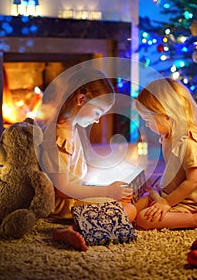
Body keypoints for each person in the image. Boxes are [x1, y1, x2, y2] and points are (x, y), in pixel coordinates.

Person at [36, 66, 137, 251]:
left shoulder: (72, 128)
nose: (98, 120)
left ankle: (80, 226)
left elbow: (75, 176)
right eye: (98, 112)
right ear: (81, 100)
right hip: (66, 206)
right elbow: (62, 189)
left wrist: (105, 189)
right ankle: (71, 229)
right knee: (128, 210)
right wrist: (106, 192)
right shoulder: (60, 137)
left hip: (76, 197)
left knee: (127, 202)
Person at [134, 78, 197, 236]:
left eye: (148, 119)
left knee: (143, 219)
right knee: (140, 202)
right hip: (172, 194)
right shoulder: (167, 136)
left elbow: (193, 181)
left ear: (166, 116)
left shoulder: (188, 143)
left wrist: (167, 202)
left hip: (190, 202)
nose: (146, 124)